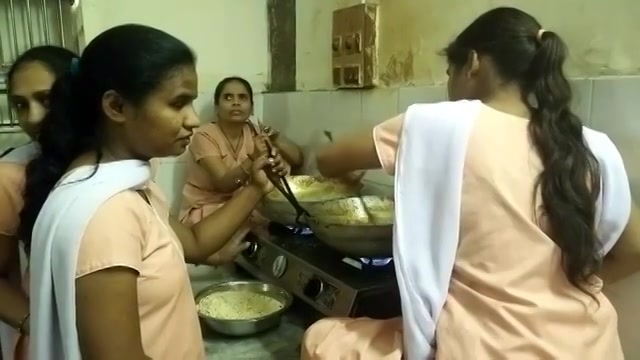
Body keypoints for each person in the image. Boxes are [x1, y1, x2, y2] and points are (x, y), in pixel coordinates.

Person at [301, 7, 640, 360]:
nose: (449, 87)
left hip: (484, 347)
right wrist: (558, 291)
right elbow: (634, 249)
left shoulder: (442, 124)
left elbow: (328, 160)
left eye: (450, 73)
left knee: (320, 338)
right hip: (593, 345)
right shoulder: (587, 144)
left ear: (474, 63)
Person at [18, 24, 282, 360]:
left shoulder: (122, 185)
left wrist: (256, 187)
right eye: (178, 103)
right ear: (116, 107)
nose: (192, 120)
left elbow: (196, 243)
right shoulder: (108, 213)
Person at [0, 45, 77, 360]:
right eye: (20, 105)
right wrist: (40, 328)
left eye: (46, 100)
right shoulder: (11, 175)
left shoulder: (115, 162)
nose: (31, 118)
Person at [179, 76, 302, 263]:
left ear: (251, 107)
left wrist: (274, 145)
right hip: (207, 212)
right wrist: (253, 158)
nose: (236, 103)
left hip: (244, 207)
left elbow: (298, 158)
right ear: (217, 107)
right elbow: (224, 184)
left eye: (243, 98)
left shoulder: (254, 132)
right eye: (228, 98)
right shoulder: (204, 136)